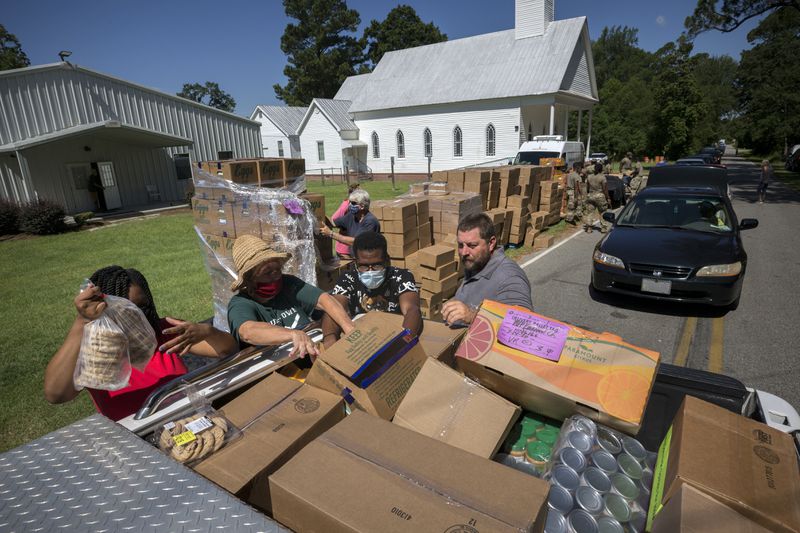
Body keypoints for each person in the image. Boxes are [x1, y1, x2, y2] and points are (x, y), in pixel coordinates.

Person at [44, 266, 237, 421]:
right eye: (124, 309)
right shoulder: (96, 348)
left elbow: (228, 349)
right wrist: (82, 321)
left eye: (142, 306)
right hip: (134, 441)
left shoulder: (163, 332)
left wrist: (208, 331)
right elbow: (56, 395)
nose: (136, 315)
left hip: (186, 423)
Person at [227, 235, 355, 358]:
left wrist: (349, 327)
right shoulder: (240, 303)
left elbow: (324, 299)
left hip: (310, 353)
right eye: (267, 273)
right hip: (279, 367)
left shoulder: (288, 283)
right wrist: (292, 334)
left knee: (339, 299)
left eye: (277, 270)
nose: (275, 276)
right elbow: (247, 331)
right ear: (249, 279)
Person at [321, 232, 421, 347]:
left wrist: (403, 342)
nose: (370, 271)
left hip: (392, 335)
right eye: (363, 266)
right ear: (355, 263)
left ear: (387, 261)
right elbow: (334, 309)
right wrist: (329, 339)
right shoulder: (348, 279)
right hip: (362, 340)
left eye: (377, 265)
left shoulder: (401, 277)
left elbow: (412, 309)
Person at [441, 213, 533, 326]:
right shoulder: (477, 264)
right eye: (461, 245)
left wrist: (472, 316)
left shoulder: (509, 277)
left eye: (472, 245)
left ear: (491, 243)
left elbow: (523, 323)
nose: (464, 252)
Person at [320, 189, 380, 258]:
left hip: (370, 262)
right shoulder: (351, 216)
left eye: (353, 203)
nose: (350, 205)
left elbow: (356, 242)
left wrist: (331, 234)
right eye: (350, 202)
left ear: (362, 206)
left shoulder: (370, 222)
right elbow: (333, 223)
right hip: (358, 259)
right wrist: (318, 216)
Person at [330, 183, 361, 259]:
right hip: (344, 248)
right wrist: (345, 227)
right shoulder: (346, 205)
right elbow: (333, 221)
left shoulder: (359, 206)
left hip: (354, 246)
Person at [584, 169, 611, 233]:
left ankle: (589, 228)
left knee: (590, 212)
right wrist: (608, 198)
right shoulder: (602, 177)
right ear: (601, 169)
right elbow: (605, 189)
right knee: (603, 212)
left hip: (590, 196)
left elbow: (587, 187)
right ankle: (603, 228)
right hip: (600, 196)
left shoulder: (589, 176)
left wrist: (589, 194)